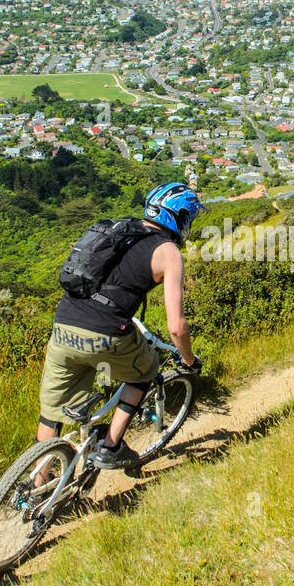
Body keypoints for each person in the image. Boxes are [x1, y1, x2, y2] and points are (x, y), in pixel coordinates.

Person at [36, 182, 204, 471]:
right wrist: (189, 361)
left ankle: (38, 485)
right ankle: (111, 447)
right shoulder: (168, 252)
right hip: (107, 333)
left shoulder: (119, 229)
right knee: (145, 371)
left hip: (64, 323)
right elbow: (176, 326)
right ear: (180, 218)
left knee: (51, 412)